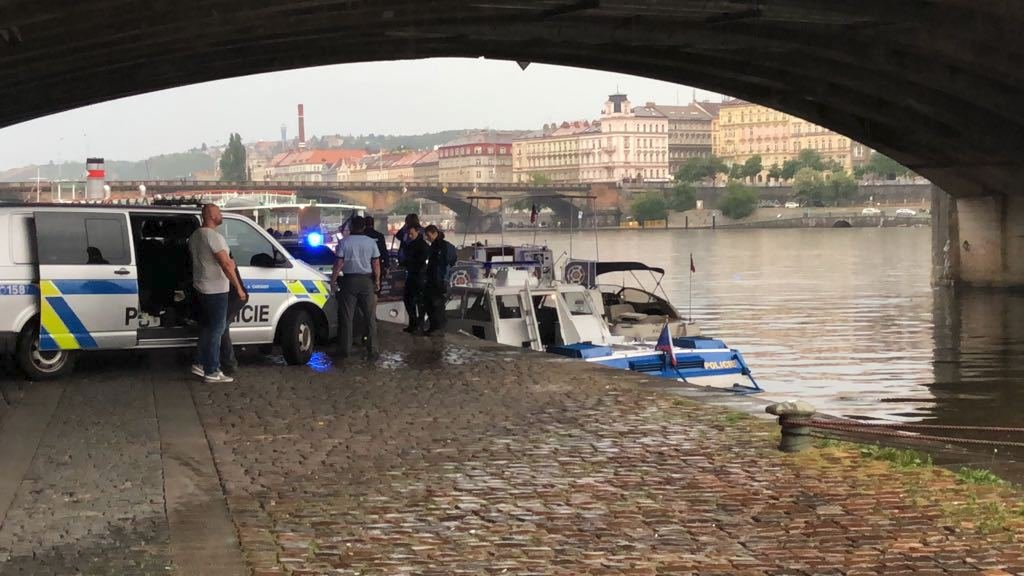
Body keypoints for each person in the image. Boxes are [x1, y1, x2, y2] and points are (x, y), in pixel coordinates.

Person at [189, 204, 247, 383]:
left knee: (207, 327)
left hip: (201, 287)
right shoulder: (214, 236)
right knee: (217, 329)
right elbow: (225, 263)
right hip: (216, 289)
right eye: (219, 212)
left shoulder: (195, 236)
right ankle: (212, 370)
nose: (221, 215)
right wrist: (237, 287)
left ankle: (199, 363)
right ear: (212, 215)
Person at [331, 215, 381, 360]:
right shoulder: (371, 242)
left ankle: (345, 350)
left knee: (347, 317)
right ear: (364, 227)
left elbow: (339, 264)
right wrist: (377, 280)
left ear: (351, 227)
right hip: (366, 281)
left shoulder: (344, 242)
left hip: (349, 281)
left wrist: (333, 281)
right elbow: (376, 264)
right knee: (369, 316)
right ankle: (372, 350)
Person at [421, 224, 457, 336]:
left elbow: (448, 262)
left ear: (434, 233)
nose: (427, 238)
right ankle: (434, 327)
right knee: (430, 303)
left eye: (428, 235)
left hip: (439, 279)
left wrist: (443, 276)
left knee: (437, 304)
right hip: (433, 278)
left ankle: (438, 327)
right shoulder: (435, 246)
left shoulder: (442, 246)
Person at [219, 256, 248, 376]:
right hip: (232, 295)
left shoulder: (221, 250)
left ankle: (229, 364)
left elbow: (227, 266)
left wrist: (239, 289)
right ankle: (228, 363)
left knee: (221, 328)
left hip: (234, 296)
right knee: (222, 327)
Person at [400, 225, 430, 333]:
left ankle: (419, 324)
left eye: (411, 233)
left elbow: (421, 260)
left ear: (417, 231)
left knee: (419, 301)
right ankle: (413, 323)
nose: (409, 235)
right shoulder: (411, 244)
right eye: (408, 233)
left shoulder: (423, 245)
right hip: (412, 274)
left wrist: (409, 263)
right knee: (408, 299)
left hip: (419, 275)